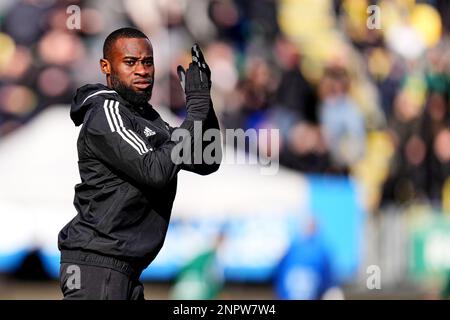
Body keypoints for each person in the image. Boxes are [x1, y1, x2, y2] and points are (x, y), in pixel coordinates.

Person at [58, 27, 221, 300]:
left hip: (125, 271)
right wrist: (194, 112)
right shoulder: (104, 112)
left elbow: (208, 159)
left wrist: (203, 102)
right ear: (106, 67)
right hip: (95, 265)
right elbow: (155, 171)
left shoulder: (148, 119)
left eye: (147, 62)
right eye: (130, 62)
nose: (142, 70)